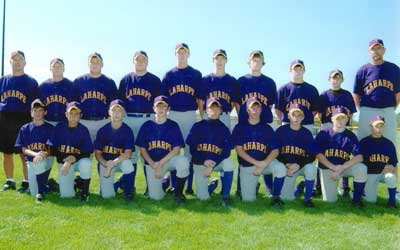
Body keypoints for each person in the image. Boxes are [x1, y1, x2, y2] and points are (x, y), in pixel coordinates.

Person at [353, 38, 400, 201]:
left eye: (379, 48)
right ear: (369, 51)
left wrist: (390, 108)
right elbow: (357, 94)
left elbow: (398, 94)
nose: (376, 51)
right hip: (367, 110)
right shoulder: (363, 70)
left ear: (384, 50)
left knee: (391, 146)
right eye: (373, 48)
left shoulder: (394, 69)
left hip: (387, 109)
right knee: (364, 145)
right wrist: (363, 110)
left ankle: (394, 187)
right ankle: (361, 185)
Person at [117, 50, 161, 195]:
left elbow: (160, 103)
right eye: (137, 59)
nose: (140, 62)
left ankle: (151, 187)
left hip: (148, 119)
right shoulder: (125, 80)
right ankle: (130, 187)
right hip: (129, 118)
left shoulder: (155, 80)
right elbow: (119, 102)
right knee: (131, 153)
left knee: (148, 152)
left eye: (143, 59)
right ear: (134, 61)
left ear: (147, 62)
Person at [161, 43, 202, 195]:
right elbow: (163, 99)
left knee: (190, 151)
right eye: (179, 52)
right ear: (175, 54)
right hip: (174, 114)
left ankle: (189, 186)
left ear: (188, 54)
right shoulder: (169, 75)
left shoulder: (196, 74)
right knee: (173, 150)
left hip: (190, 114)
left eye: (184, 52)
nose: (182, 54)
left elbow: (199, 99)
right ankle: (174, 185)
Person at [236, 50, 278, 198]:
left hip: (263, 123)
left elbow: (271, 104)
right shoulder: (241, 81)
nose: (256, 61)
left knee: (265, 152)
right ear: (249, 62)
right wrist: (242, 117)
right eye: (253, 59)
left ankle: (269, 188)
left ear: (263, 62)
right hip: (245, 124)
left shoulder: (269, 82)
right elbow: (236, 102)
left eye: (259, 59)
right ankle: (241, 188)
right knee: (244, 154)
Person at [232, 97, 286, 208]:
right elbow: (240, 151)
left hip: (265, 165)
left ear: (261, 110)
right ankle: (254, 186)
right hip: (248, 166)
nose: (255, 111)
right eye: (253, 108)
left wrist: (264, 164)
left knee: (280, 168)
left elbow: (275, 151)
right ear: (247, 110)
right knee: (248, 200)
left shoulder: (267, 128)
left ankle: (275, 197)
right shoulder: (240, 127)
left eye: (258, 108)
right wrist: (258, 163)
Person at [136, 96, 189, 204]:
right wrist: (153, 164)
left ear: (168, 109)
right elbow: (142, 149)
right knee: (155, 197)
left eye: (163, 106)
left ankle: (178, 194)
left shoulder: (173, 125)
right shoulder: (146, 125)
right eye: (158, 106)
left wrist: (160, 163)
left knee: (183, 161)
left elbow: (176, 149)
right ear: (154, 108)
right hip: (152, 163)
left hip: (168, 161)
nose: (160, 109)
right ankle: (165, 182)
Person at [0, 50, 39, 192]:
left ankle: (26, 181)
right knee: (7, 153)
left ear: (25, 62)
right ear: (10, 62)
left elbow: (36, 105)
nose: (17, 62)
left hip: (23, 118)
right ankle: (9, 180)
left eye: (20, 59)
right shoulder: (2, 80)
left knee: (24, 153)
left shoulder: (31, 82)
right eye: (14, 59)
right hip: (4, 119)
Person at [315, 107, 367, 208]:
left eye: (343, 118)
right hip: (328, 168)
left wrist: (341, 168)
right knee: (329, 201)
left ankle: (356, 199)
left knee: (361, 168)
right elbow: (318, 155)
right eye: (337, 118)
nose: (340, 120)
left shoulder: (350, 135)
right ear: (332, 119)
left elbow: (359, 157)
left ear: (347, 119)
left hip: (344, 168)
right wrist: (333, 168)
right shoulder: (324, 133)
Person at [187, 97, 235, 207]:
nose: (214, 110)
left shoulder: (224, 129)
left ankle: (226, 196)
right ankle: (211, 186)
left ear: (220, 110)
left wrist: (212, 164)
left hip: (216, 163)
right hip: (200, 162)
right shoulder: (197, 126)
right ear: (206, 110)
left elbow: (226, 152)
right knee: (203, 198)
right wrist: (204, 161)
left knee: (229, 163)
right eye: (211, 108)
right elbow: (192, 149)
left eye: (216, 108)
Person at [318, 69, 357, 197]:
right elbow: (319, 113)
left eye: (338, 78)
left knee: (344, 153)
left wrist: (343, 123)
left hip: (342, 125)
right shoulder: (324, 95)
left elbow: (350, 112)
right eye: (333, 78)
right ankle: (319, 185)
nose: (335, 80)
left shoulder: (346, 95)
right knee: (323, 154)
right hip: (328, 125)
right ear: (329, 80)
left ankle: (345, 185)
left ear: (342, 80)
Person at [47, 102, 93, 201]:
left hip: (78, 161)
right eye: (70, 113)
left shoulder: (83, 130)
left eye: (76, 114)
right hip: (63, 163)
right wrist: (65, 160)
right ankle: (71, 184)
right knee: (66, 195)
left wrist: (73, 158)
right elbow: (52, 148)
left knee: (86, 164)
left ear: (81, 115)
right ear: (66, 114)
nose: (73, 116)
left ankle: (85, 192)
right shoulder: (59, 128)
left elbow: (87, 152)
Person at [278, 104, 317, 207]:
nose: (296, 118)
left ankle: (308, 199)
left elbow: (312, 155)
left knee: (311, 168)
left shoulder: (307, 133)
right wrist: (287, 164)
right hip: (287, 167)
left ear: (303, 117)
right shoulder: (281, 131)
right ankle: (299, 189)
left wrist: (299, 164)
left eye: (299, 115)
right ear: (289, 116)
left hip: (301, 166)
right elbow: (275, 152)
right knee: (287, 198)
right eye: (293, 115)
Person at [95, 99, 135, 201]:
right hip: (105, 163)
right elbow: (98, 154)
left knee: (128, 164)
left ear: (123, 113)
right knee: (107, 196)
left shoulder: (127, 131)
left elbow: (128, 154)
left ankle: (128, 192)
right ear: (109, 112)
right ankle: (117, 184)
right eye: (114, 110)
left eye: (119, 111)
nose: (117, 114)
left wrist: (113, 162)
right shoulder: (103, 130)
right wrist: (105, 163)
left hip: (119, 162)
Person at [15, 99, 54, 202]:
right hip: (31, 160)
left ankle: (40, 194)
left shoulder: (50, 128)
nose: (37, 113)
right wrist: (36, 154)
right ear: (31, 113)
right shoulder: (25, 128)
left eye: (40, 110)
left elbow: (51, 149)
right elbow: (23, 148)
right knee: (33, 192)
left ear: (45, 112)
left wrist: (42, 154)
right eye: (34, 110)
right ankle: (48, 185)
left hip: (46, 159)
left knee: (39, 163)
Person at [73, 52, 118, 142]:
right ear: (88, 64)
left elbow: (115, 104)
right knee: (83, 152)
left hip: (103, 122)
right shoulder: (79, 81)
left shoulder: (109, 82)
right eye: (92, 62)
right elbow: (73, 103)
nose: (94, 64)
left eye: (97, 62)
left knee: (103, 152)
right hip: (83, 121)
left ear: (102, 64)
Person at [360, 115, 397, 208]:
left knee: (391, 177)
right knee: (371, 201)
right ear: (371, 127)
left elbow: (394, 163)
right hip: (370, 174)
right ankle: (361, 191)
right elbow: (360, 164)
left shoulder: (389, 144)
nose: (379, 129)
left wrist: (389, 167)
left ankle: (392, 202)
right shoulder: (364, 142)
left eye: (381, 126)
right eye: (376, 126)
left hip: (384, 173)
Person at [198, 49, 240, 128]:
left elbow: (233, 102)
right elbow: (200, 101)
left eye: (222, 58)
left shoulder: (232, 81)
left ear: (226, 60)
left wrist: (226, 113)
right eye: (217, 58)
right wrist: (204, 116)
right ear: (213, 61)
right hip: (208, 115)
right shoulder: (206, 80)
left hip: (224, 115)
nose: (219, 61)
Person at [276, 59, 319, 133]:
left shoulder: (312, 89)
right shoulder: (283, 89)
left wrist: (305, 118)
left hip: (307, 124)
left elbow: (315, 110)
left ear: (304, 70)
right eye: (295, 69)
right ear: (290, 70)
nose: (298, 71)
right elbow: (278, 110)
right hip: (287, 124)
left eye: (300, 69)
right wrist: (287, 120)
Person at [39, 58, 76, 125]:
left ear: (64, 69)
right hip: (47, 122)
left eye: (59, 66)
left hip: (65, 123)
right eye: (54, 66)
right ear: (50, 69)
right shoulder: (43, 86)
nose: (57, 68)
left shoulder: (71, 85)